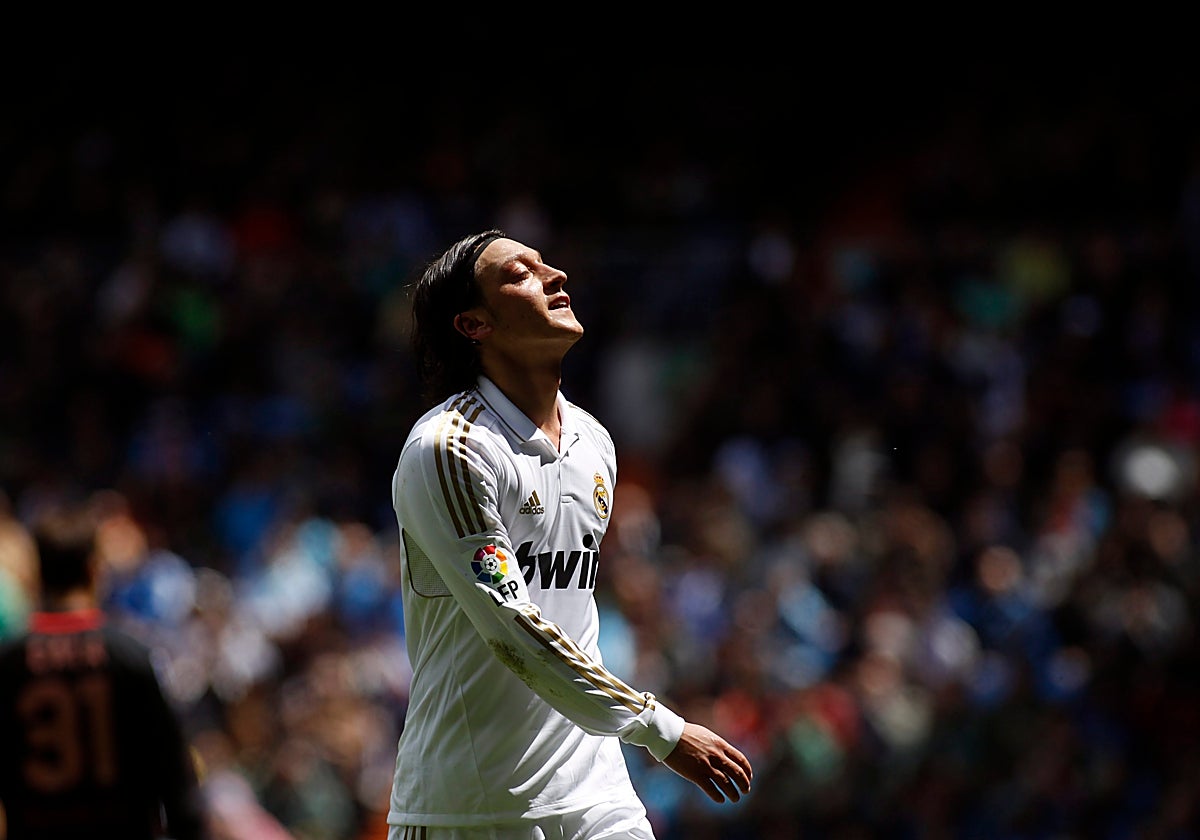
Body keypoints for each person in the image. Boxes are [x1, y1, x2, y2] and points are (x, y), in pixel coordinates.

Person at [387, 230, 753, 839]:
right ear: (474, 324)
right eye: (520, 274)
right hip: (469, 807)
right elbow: (515, 627)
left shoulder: (594, 443)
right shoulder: (451, 450)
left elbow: (573, 608)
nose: (554, 274)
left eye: (545, 262)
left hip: (595, 793)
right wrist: (660, 729)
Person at [0, 500, 209, 840]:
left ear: (39, 574)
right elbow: (175, 780)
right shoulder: (129, 656)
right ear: (94, 570)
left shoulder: (9, 664)